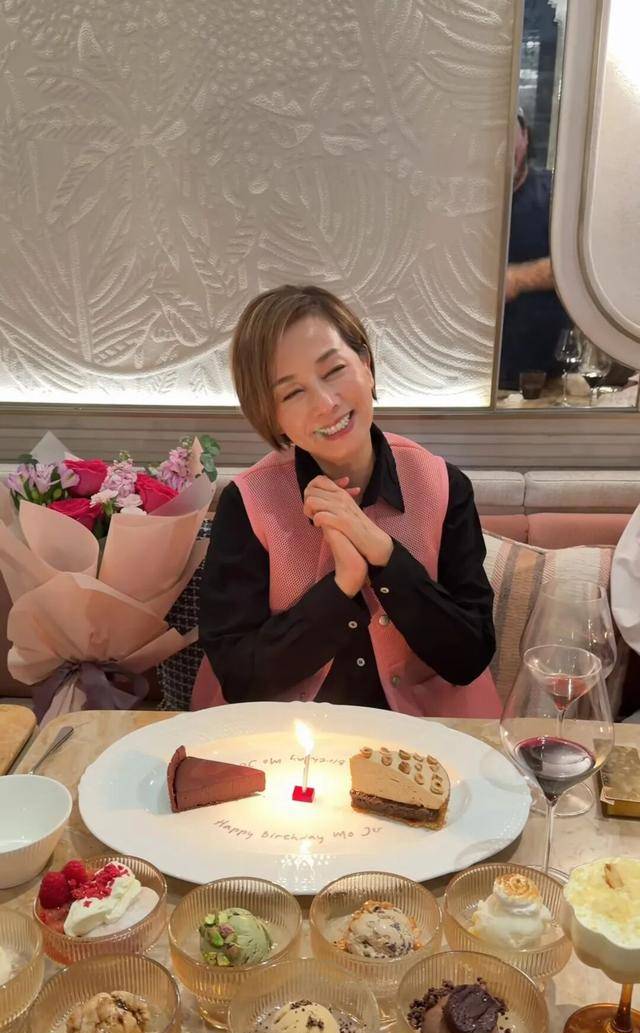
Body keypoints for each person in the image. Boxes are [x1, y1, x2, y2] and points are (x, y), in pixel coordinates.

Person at [193, 284, 501, 717]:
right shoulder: (247, 502)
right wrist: (343, 585)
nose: (326, 403)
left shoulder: (443, 485)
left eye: (334, 369)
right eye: (291, 393)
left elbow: (469, 656)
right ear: (271, 416)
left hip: (425, 737)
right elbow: (242, 678)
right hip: (286, 738)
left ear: (367, 365)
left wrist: (384, 555)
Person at [499, 111, 570, 390]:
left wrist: (517, 279)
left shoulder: (558, 195)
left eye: (510, 134)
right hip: (467, 378)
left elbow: (587, 265)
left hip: (548, 378)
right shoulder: (457, 199)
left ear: (525, 137)